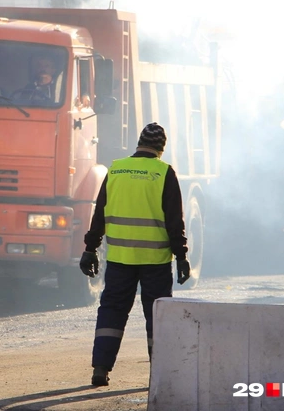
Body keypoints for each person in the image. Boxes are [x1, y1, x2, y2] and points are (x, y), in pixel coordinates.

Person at [79, 122, 191, 387]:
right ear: (161, 148)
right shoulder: (164, 172)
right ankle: (160, 374)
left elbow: (100, 214)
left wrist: (90, 248)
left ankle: (101, 368)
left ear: (139, 143)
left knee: (112, 312)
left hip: (120, 259)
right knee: (158, 316)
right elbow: (175, 221)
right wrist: (182, 256)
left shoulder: (116, 169)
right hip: (156, 261)